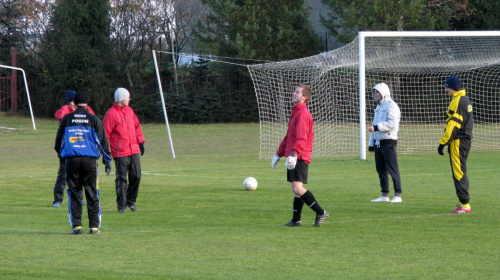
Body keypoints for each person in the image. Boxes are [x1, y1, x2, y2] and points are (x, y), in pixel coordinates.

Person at [271, 84, 329, 227]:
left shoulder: (303, 114)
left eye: (297, 92)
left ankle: (321, 212)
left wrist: (294, 153)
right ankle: (296, 220)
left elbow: (302, 138)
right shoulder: (296, 112)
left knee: (297, 188)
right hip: (295, 154)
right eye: (294, 91)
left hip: (299, 156)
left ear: (304, 97)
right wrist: (279, 153)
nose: (293, 93)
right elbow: (289, 137)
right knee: (296, 189)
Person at [54, 92, 112, 234]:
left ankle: (77, 227)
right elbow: (102, 141)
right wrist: (107, 159)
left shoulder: (67, 119)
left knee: (74, 193)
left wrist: (62, 158)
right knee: (92, 192)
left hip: (72, 160)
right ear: (87, 103)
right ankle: (94, 227)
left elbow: (58, 142)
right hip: (90, 161)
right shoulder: (93, 119)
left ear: (75, 102)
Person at [103, 88, 145, 213]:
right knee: (121, 178)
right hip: (120, 152)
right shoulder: (111, 114)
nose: (129, 99)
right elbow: (105, 134)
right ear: (121, 99)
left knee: (136, 176)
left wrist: (141, 142)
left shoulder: (130, 111)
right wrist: (107, 152)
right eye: (127, 97)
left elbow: (137, 127)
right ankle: (121, 205)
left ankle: (131, 201)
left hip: (134, 149)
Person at [52, 90, 95, 207]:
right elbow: (60, 116)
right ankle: (57, 199)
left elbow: (93, 117)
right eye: (71, 102)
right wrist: (66, 105)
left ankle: (79, 198)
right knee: (63, 174)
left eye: (73, 102)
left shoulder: (83, 109)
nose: (73, 104)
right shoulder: (65, 110)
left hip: (80, 146)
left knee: (79, 175)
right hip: (66, 148)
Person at [438, 75, 473, 213]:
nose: (446, 90)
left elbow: (453, 125)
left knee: (458, 172)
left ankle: (465, 205)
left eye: (447, 87)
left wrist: (442, 143)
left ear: (452, 88)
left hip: (458, 142)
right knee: (460, 170)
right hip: (464, 141)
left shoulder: (458, 101)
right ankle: (464, 203)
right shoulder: (464, 99)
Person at [367, 83, 403, 203]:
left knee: (392, 168)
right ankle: (384, 194)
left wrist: (377, 128)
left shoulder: (391, 106)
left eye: (377, 92)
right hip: (379, 143)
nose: (375, 94)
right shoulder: (378, 107)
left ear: (384, 92)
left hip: (389, 142)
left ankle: (398, 195)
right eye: (374, 92)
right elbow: (374, 124)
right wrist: (371, 144)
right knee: (380, 169)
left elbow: (392, 124)